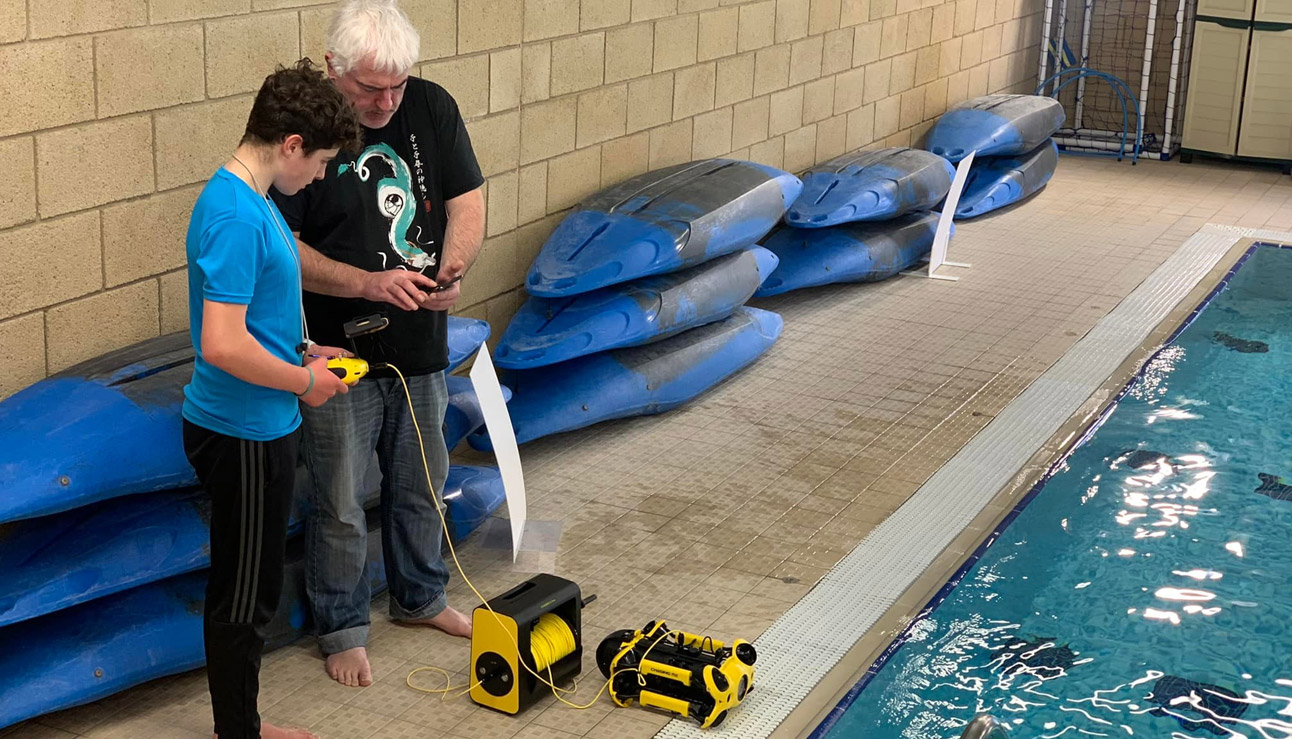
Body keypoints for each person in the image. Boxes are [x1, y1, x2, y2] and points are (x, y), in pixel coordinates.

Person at [270, 0, 486, 688]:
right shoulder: (303, 133)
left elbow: (467, 199)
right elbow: (282, 247)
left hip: (419, 337)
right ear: (335, 69)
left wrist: (453, 268)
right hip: (335, 349)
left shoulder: (431, 106)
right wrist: (366, 284)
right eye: (370, 88)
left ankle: (422, 596)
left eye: (397, 85)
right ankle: (342, 624)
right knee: (338, 496)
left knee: (422, 480)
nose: (386, 101)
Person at [182, 59, 362, 738]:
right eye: (317, 162)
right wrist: (304, 383)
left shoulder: (252, 200)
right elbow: (221, 344)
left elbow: (251, 324)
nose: (317, 177)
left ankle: (244, 725)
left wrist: (302, 352)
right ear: (290, 144)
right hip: (243, 431)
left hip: (260, 417)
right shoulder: (235, 213)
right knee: (243, 596)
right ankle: (241, 732)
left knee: (249, 587)